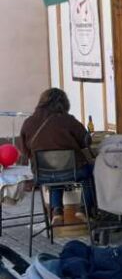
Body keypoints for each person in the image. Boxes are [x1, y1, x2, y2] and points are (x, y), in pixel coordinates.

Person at [19, 88, 95, 220]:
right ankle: (84, 209)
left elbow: (25, 151)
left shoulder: (28, 123)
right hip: (73, 171)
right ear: (64, 103)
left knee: (54, 173)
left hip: (42, 175)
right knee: (90, 171)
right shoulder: (68, 120)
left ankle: (57, 211)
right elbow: (85, 141)